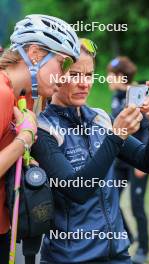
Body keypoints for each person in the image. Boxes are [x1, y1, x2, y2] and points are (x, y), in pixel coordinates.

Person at [32, 39, 149, 264]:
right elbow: (77, 189)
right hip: (71, 258)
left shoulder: (100, 119)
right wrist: (116, 136)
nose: (84, 83)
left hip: (118, 255)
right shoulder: (43, 128)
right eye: (75, 75)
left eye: (89, 74)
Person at [0, 14, 80, 264]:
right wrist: (24, 139)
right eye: (63, 64)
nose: (65, 76)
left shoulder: (19, 96)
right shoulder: (2, 94)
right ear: (35, 53)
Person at [107, 57, 149, 263]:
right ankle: (127, 236)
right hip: (120, 162)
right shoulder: (117, 97)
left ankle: (143, 248)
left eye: (110, 75)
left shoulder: (138, 96)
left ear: (120, 77)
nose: (107, 79)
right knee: (110, 199)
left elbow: (148, 129)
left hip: (137, 162)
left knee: (137, 206)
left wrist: (143, 163)